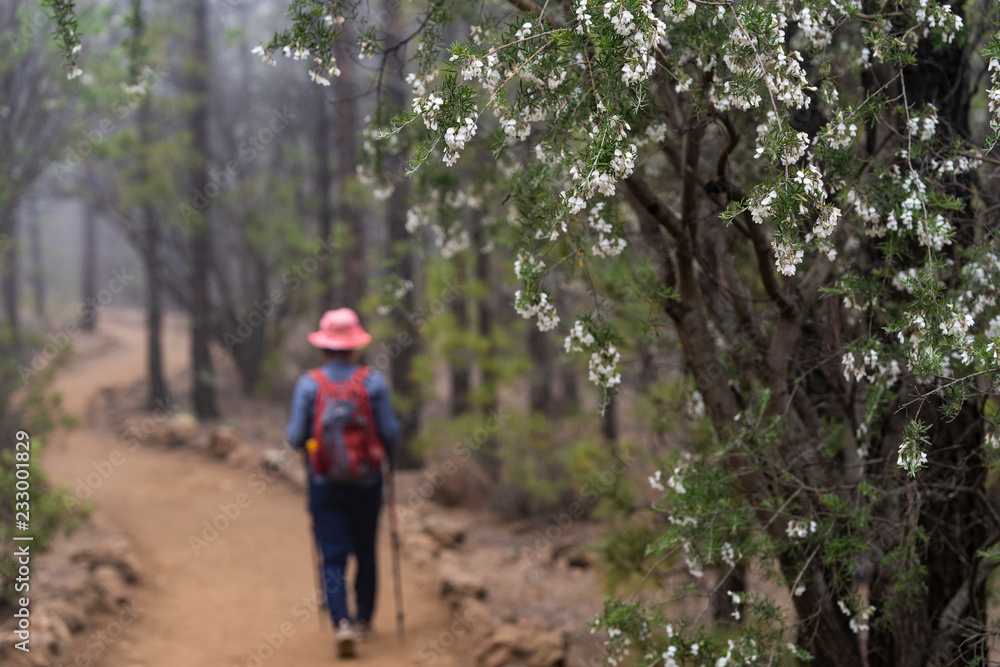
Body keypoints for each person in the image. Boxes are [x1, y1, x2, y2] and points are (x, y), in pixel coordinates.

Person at [286, 308, 400, 658]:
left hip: (324, 483)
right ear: (354, 346)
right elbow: (391, 432)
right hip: (367, 482)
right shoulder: (372, 383)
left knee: (332, 555)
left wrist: (313, 448)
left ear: (324, 346)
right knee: (366, 549)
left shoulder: (309, 384)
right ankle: (364, 619)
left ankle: (342, 624)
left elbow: (295, 437)